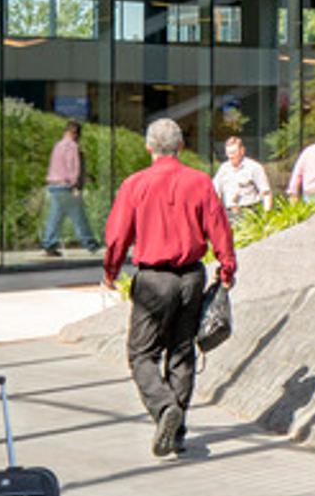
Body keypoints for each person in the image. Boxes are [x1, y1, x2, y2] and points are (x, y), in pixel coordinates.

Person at [104, 118, 237, 458]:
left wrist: (111, 270)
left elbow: (118, 235)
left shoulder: (135, 184)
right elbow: (219, 227)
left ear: (149, 147)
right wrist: (226, 266)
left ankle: (164, 409)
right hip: (192, 276)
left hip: (153, 279)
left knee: (141, 352)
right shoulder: (200, 182)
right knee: (181, 352)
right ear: (180, 146)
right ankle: (176, 434)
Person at [41, 120, 101, 256]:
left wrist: (86, 176)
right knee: (79, 216)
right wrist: (76, 185)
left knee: (55, 217)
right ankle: (91, 244)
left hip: (54, 186)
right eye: (79, 135)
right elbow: (72, 167)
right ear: (75, 133)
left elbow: (58, 166)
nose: (79, 138)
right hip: (66, 186)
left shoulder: (58, 145)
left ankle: (49, 244)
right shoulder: (72, 146)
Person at [213, 136, 273, 218]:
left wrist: (267, 215)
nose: (231, 156)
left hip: (250, 213)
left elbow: (266, 193)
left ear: (242, 151)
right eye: (228, 153)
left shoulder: (254, 167)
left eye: (234, 152)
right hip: (229, 213)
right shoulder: (223, 169)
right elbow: (215, 193)